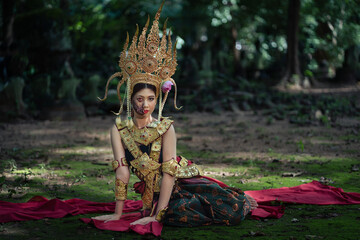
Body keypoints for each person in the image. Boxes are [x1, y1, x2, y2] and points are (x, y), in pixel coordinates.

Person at [92, 2, 258, 227]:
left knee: (225, 211)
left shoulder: (166, 128)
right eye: (139, 99)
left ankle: (240, 199)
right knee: (178, 214)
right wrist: (118, 214)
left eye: (151, 99)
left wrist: (155, 216)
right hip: (154, 194)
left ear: (157, 99)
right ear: (131, 99)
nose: (145, 105)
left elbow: (170, 173)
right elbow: (122, 172)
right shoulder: (119, 129)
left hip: (181, 183)